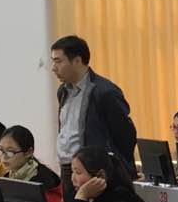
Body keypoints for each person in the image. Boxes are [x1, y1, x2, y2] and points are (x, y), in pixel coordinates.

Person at [51, 34, 137, 188]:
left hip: (94, 172)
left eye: (58, 61)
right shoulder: (62, 91)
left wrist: (110, 166)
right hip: (68, 169)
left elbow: (125, 136)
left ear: (77, 61)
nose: (53, 68)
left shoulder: (104, 92)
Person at [0, 125, 66, 202]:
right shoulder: (7, 178)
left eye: (10, 152)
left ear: (29, 152)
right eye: (1, 150)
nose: (4, 157)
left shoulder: (46, 181)